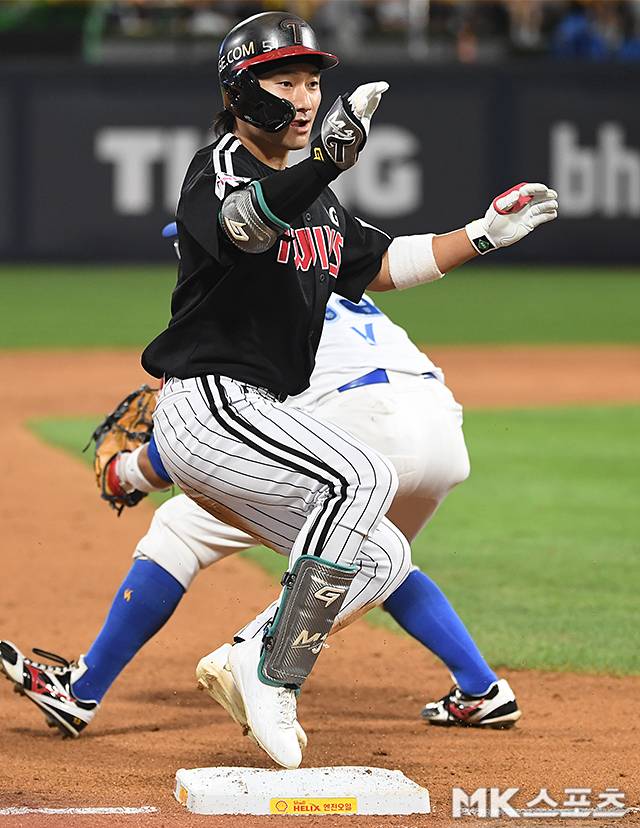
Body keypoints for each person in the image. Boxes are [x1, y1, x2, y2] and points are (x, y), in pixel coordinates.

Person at [2, 11, 557, 770]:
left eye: (314, 82)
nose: (305, 97)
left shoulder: (320, 203)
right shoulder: (221, 163)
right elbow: (243, 227)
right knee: (362, 476)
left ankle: (248, 663)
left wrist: (485, 233)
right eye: (285, 80)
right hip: (210, 402)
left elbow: (384, 264)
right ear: (239, 91)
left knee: (380, 553)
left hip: (252, 412)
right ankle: (268, 668)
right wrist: (325, 163)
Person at [0, 289, 521, 748]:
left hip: (359, 427)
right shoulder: (320, 277)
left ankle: (84, 690)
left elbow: (211, 429)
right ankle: (481, 689)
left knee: (182, 525)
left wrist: (128, 473)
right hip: (441, 433)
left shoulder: (242, 300)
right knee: (369, 560)